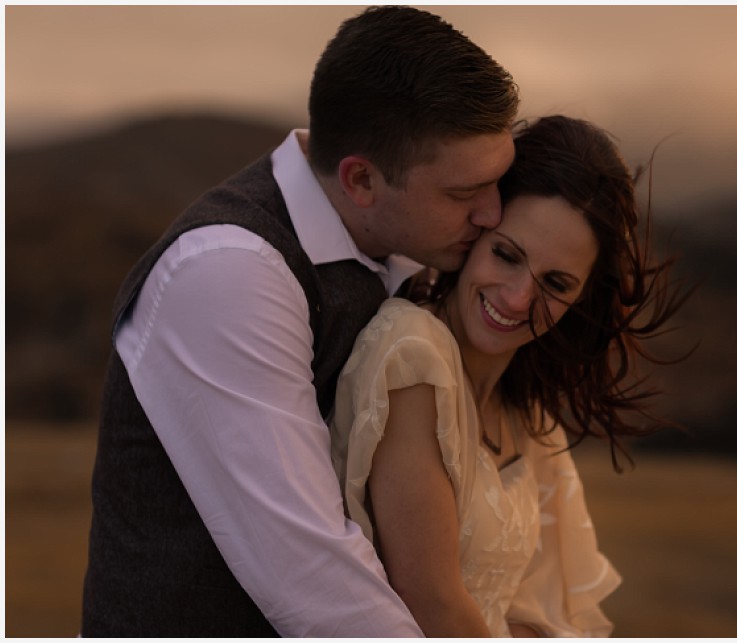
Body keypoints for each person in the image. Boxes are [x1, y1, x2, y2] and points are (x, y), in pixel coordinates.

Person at [81, 6, 518, 637]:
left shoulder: (409, 245)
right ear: (362, 179)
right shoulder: (228, 272)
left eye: (498, 181)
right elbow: (310, 575)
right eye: (463, 193)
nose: (492, 213)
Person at [331, 115, 685, 637]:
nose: (518, 298)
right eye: (506, 255)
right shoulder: (412, 354)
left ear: (583, 298)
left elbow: (527, 615)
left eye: (556, 283)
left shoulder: (529, 414)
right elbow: (431, 603)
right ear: (475, 233)